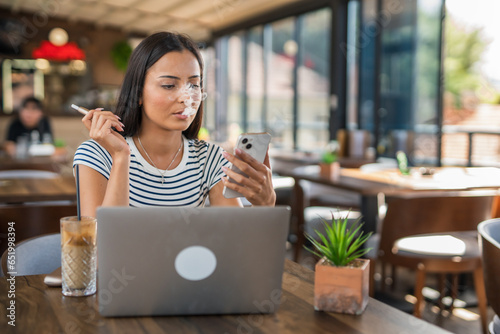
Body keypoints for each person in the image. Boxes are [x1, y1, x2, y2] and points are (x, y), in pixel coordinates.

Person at [74, 32, 276, 217]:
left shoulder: (210, 159)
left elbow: (237, 246)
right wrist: (120, 157)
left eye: (194, 85)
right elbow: (97, 251)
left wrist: (265, 205)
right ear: (138, 93)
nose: (186, 98)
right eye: (169, 85)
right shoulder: (96, 155)